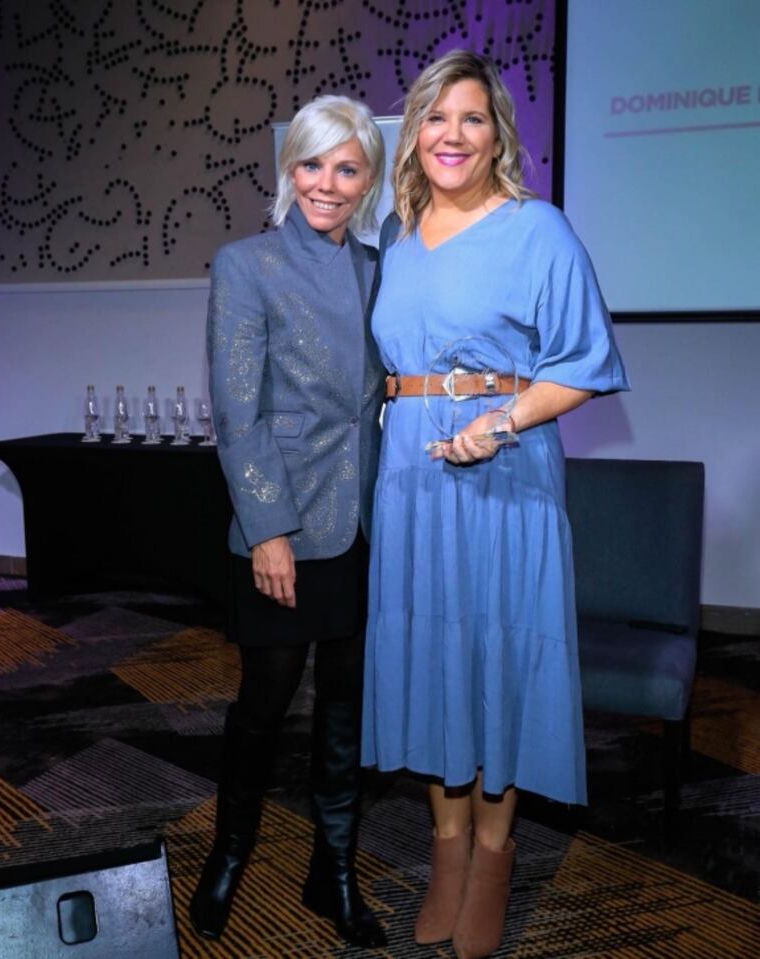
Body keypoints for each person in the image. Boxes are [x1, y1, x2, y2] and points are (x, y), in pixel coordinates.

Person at [361, 51, 629, 959]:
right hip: (410, 480)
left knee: (497, 657)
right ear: (416, 134)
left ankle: (491, 852)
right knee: (431, 652)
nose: (452, 135)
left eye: (472, 119)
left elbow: (583, 366)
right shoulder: (396, 241)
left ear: (496, 135)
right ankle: (443, 847)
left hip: (503, 477)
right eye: (436, 118)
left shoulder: (535, 229)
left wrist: (499, 423)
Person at [190, 94, 387, 949]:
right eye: (312, 165)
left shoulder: (382, 268)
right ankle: (228, 853)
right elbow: (238, 411)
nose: (327, 184)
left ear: (369, 178)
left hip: (365, 519)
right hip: (282, 522)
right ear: (288, 170)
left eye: (347, 168)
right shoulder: (246, 264)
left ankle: (330, 870)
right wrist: (267, 528)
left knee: (345, 706)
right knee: (263, 702)